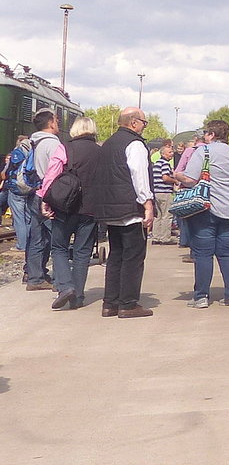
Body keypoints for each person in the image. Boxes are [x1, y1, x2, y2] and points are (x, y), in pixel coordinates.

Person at [83, 107, 154, 319]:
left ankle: (110, 303)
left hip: (111, 210)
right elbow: (139, 176)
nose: (144, 126)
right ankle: (128, 304)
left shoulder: (108, 144)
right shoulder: (135, 144)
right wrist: (148, 204)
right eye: (144, 122)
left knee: (116, 256)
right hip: (130, 209)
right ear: (134, 122)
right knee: (133, 257)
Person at [177, 120, 229, 308]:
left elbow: (190, 179)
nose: (204, 135)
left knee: (203, 253)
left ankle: (201, 297)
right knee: (227, 252)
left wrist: (178, 176)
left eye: (206, 132)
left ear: (212, 134)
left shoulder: (203, 151)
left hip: (207, 208)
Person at [38, 116, 101, 309]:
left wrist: (45, 199)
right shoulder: (100, 151)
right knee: (83, 252)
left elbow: (51, 175)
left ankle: (65, 286)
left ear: (75, 130)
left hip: (65, 207)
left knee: (59, 247)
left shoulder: (65, 148)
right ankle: (78, 297)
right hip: (91, 209)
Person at [25, 110, 62, 291]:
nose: (58, 123)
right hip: (48, 195)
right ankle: (59, 279)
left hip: (34, 192)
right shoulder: (53, 144)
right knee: (56, 237)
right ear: (51, 123)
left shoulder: (33, 141)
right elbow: (57, 171)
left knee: (37, 237)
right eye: (56, 120)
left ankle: (35, 277)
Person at [3, 135, 33, 253]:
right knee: (28, 218)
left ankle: (21, 245)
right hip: (30, 189)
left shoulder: (16, 153)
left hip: (16, 189)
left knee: (19, 218)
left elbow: (6, 173)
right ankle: (30, 243)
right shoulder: (33, 151)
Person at [150, 140, 180, 244]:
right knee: (167, 215)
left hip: (156, 192)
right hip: (165, 191)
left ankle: (156, 237)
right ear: (163, 154)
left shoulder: (156, 164)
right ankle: (165, 238)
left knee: (158, 216)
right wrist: (175, 181)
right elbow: (165, 178)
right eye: (169, 152)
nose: (172, 154)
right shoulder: (165, 164)